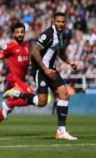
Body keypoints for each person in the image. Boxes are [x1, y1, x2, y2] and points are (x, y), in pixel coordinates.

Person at [0, 22, 39, 137]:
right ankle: (8, 103)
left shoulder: (26, 46)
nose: (20, 34)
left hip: (21, 79)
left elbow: (25, 62)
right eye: (17, 32)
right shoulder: (10, 46)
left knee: (12, 105)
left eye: (22, 32)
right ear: (13, 34)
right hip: (13, 79)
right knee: (33, 98)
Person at [30, 12, 77, 140]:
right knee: (42, 102)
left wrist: (69, 61)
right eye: (58, 21)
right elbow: (34, 50)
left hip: (52, 70)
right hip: (41, 70)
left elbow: (60, 52)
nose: (61, 24)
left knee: (64, 94)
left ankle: (61, 131)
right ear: (54, 22)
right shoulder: (49, 34)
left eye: (63, 22)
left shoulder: (62, 35)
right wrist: (45, 69)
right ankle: (19, 95)